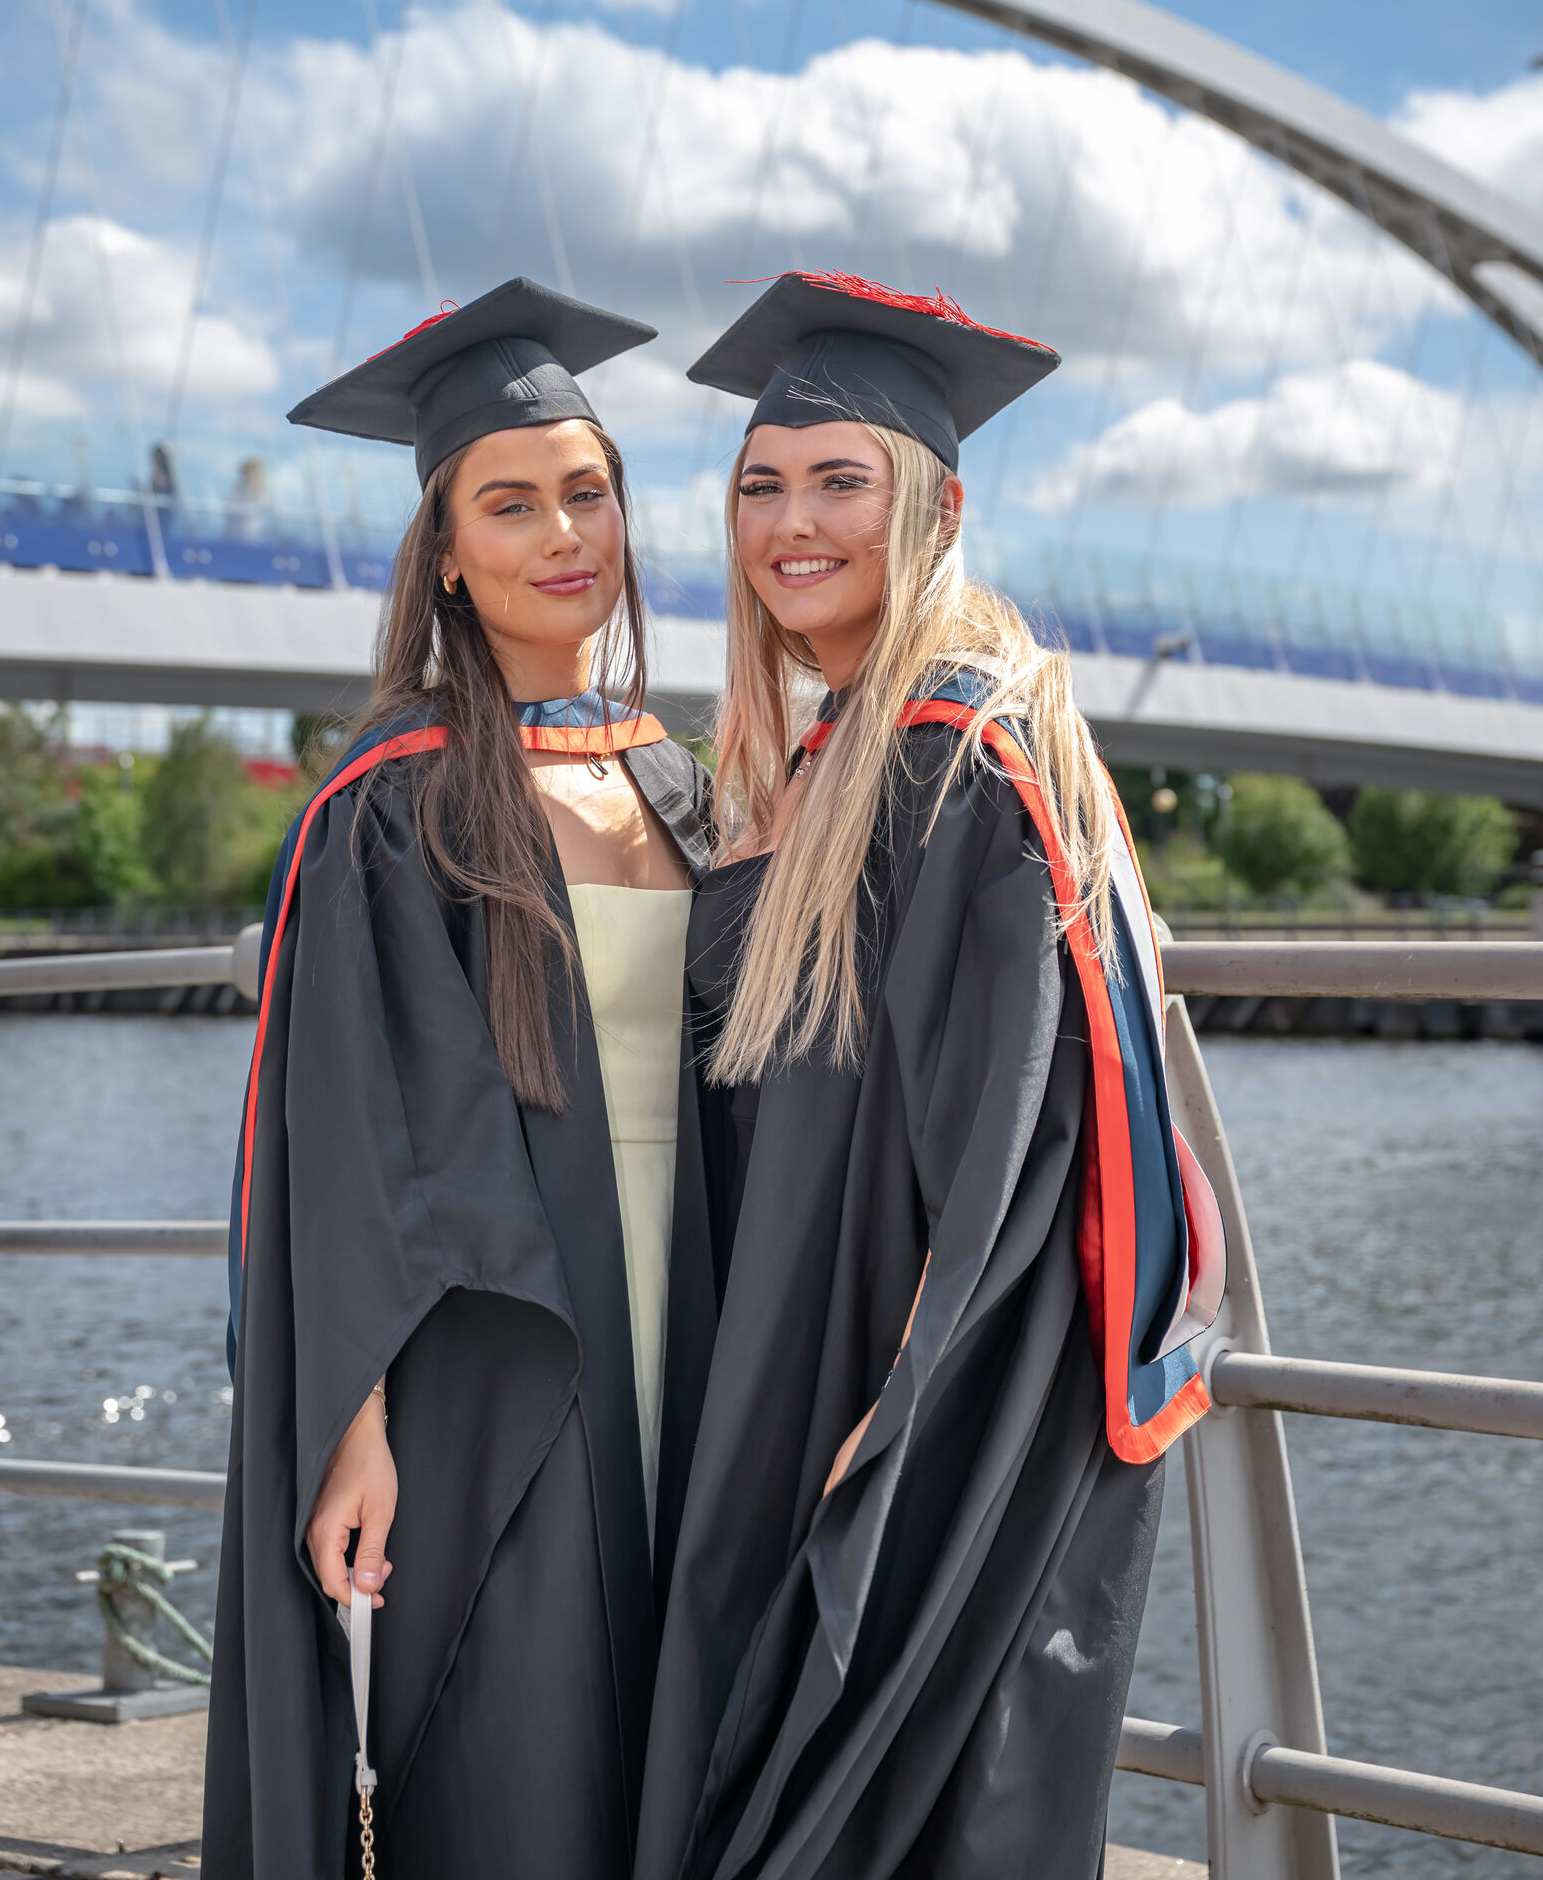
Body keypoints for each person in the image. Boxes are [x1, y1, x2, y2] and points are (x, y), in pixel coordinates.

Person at [637, 272, 1225, 1880]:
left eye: (841, 478)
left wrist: (889, 1425)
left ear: (938, 505)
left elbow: (1007, 1153)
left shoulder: (959, 762)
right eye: (761, 484)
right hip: (827, 1365)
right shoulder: (849, 752)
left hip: (923, 1416)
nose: (789, 522)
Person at [204, 280, 718, 1880]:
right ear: (445, 549)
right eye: (510, 502)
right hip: (503, 1358)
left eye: (589, 490)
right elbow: (349, 1137)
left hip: (697, 1329)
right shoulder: (393, 801)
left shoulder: (686, 780)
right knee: (523, 1749)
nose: (562, 531)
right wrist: (348, 1422)